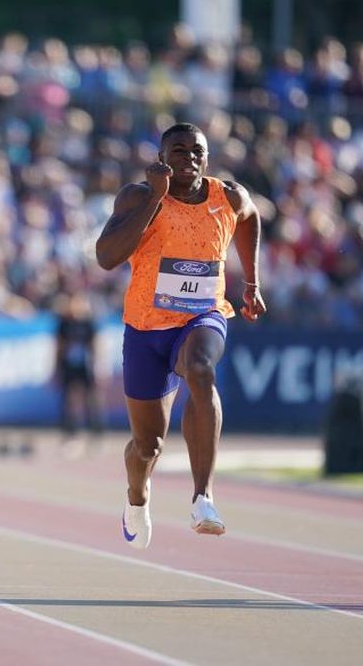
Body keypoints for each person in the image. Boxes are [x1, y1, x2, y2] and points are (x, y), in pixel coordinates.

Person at [96, 123, 266, 549]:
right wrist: (156, 197)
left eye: (197, 151)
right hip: (145, 328)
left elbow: (249, 219)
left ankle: (203, 496)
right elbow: (106, 258)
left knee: (201, 368)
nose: (189, 158)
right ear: (161, 157)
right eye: (178, 150)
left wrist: (251, 285)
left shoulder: (227, 196)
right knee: (147, 446)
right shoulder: (137, 196)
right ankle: (137, 498)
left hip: (202, 316)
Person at [53, 291, 103, 451]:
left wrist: (99, 367)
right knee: (68, 400)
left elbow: (96, 345)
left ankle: (96, 436)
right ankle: (70, 435)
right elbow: (59, 346)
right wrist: (56, 368)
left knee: (91, 400)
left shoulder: (88, 323)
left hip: (86, 365)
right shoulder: (63, 323)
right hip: (69, 365)